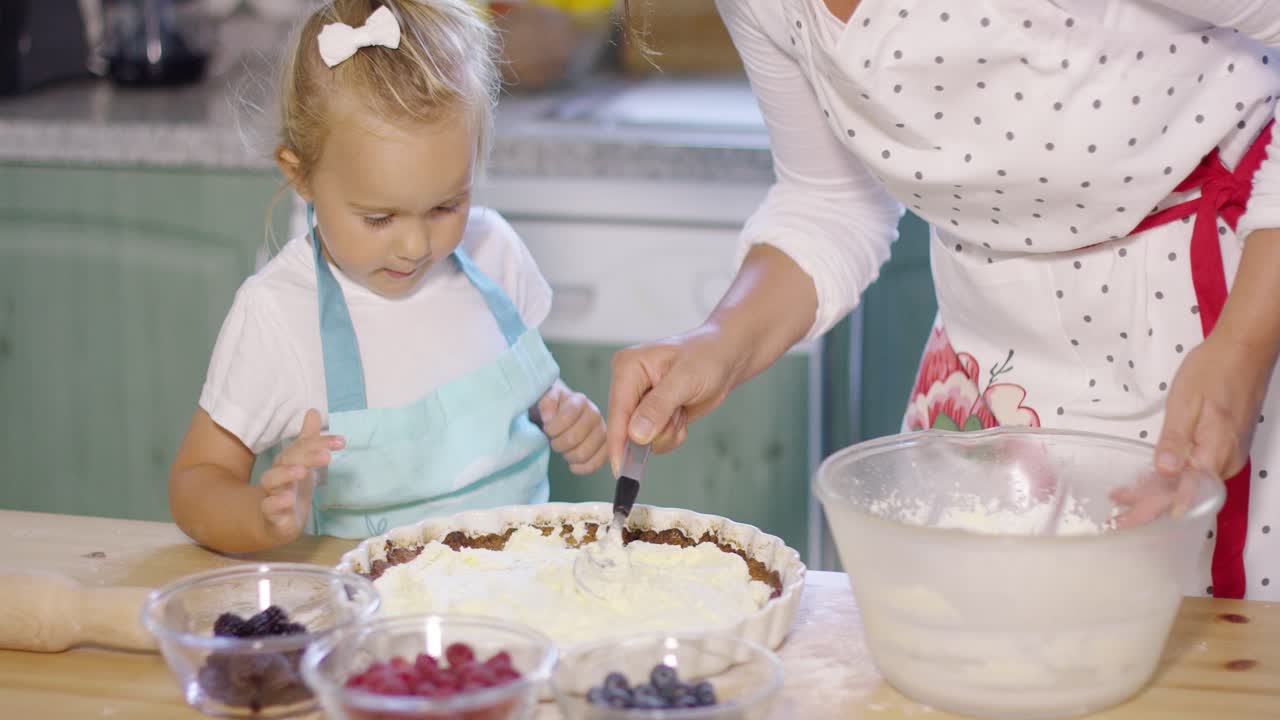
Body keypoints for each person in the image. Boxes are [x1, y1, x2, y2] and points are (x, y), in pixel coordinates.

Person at [607, 0, 1280, 600]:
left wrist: (1245, 346)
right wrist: (718, 342)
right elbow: (830, 204)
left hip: (1224, 318)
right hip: (993, 368)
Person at [170, 0, 606, 552]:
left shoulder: (495, 253)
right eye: (379, 218)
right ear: (300, 175)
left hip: (516, 602)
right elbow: (195, 482)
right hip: (378, 624)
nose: (416, 245)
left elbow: (525, 396)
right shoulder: (279, 315)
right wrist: (261, 513)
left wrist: (564, 413)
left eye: (447, 206)